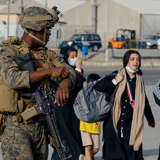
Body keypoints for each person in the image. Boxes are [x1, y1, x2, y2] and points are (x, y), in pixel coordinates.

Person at [0, 6, 76, 160]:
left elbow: (69, 70)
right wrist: (48, 72)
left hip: (41, 126)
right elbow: (13, 78)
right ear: (33, 31)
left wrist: (65, 84)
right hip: (17, 127)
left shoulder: (47, 54)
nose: (48, 35)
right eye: (45, 31)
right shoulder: (9, 52)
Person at [94, 50, 155, 160]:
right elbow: (98, 87)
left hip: (132, 126)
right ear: (126, 61)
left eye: (137, 59)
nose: (135, 62)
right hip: (114, 125)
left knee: (132, 155)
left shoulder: (139, 81)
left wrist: (150, 119)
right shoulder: (116, 75)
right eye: (132, 59)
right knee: (115, 155)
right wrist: (114, 81)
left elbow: (144, 102)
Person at [51, 47, 86, 160]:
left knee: (73, 138)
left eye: (76, 56)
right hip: (63, 110)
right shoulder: (62, 72)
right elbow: (77, 83)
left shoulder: (75, 71)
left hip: (73, 111)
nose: (75, 59)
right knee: (65, 139)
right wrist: (78, 69)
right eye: (72, 57)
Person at [80, 73, 101, 160]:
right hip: (85, 125)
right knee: (88, 147)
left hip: (95, 126)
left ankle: (84, 158)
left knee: (95, 149)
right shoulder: (83, 93)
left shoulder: (100, 95)